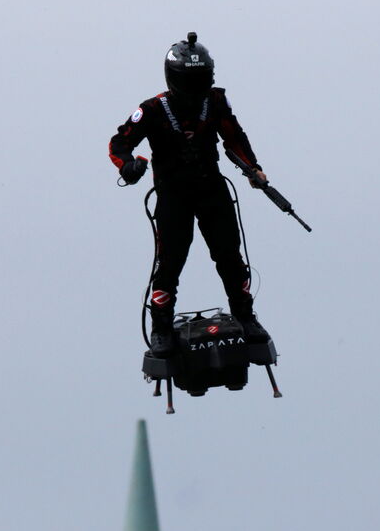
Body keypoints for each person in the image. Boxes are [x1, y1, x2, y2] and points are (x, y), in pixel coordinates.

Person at [109, 32, 270, 358]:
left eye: (202, 80)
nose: (198, 89)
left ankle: (245, 316)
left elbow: (234, 137)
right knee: (169, 263)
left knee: (230, 257)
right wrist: (127, 166)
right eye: (191, 81)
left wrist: (253, 168)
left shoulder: (216, 101)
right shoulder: (152, 109)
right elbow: (119, 143)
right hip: (173, 196)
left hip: (212, 189)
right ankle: (161, 329)